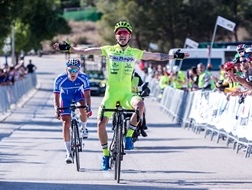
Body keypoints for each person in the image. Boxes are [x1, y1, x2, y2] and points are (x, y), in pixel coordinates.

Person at [53, 20, 189, 170]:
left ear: (129, 36)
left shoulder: (134, 52)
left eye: (125, 33)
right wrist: (70, 49)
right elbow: (86, 51)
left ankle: (129, 135)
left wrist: (174, 56)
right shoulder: (109, 49)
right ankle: (106, 155)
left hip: (126, 95)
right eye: (119, 33)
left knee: (140, 105)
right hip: (110, 95)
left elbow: (155, 56)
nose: (122, 35)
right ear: (116, 36)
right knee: (100, 124)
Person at [53, 58, 92, 164]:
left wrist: (89, 107)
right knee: (66, 123)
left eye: (76, 70)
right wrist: (56, 109)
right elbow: (56, 96)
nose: (73, 73)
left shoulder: (83, 77)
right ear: (66, 70)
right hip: (65, 97)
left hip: (78, 95)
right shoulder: (60, 79)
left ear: (79, 70)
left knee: (82, 107)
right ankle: (68, 152)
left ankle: (84, 128)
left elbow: (87, 94)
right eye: (71, 70)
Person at [131, 70, 148, 137]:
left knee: (143, 109)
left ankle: (142, 127)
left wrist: (145, 90)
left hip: (135, 99)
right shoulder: (121, 75)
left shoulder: (137, 76)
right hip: (124, 99)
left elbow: (142, 86)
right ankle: (115, 125)